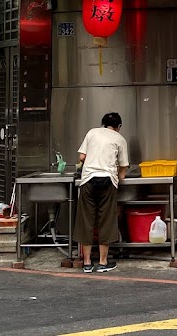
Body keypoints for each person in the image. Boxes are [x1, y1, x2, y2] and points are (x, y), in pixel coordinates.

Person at [73, 111, 129, 273]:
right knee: (106, 219)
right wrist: (120, 174)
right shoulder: (120, 139)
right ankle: (103, 263)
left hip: (88, 180)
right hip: (107, 181)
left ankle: (87, 263)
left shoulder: (92, 132)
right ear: (118, 127)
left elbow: (82, 157)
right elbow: (123, 168)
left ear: (103, 124)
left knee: (86, 219)